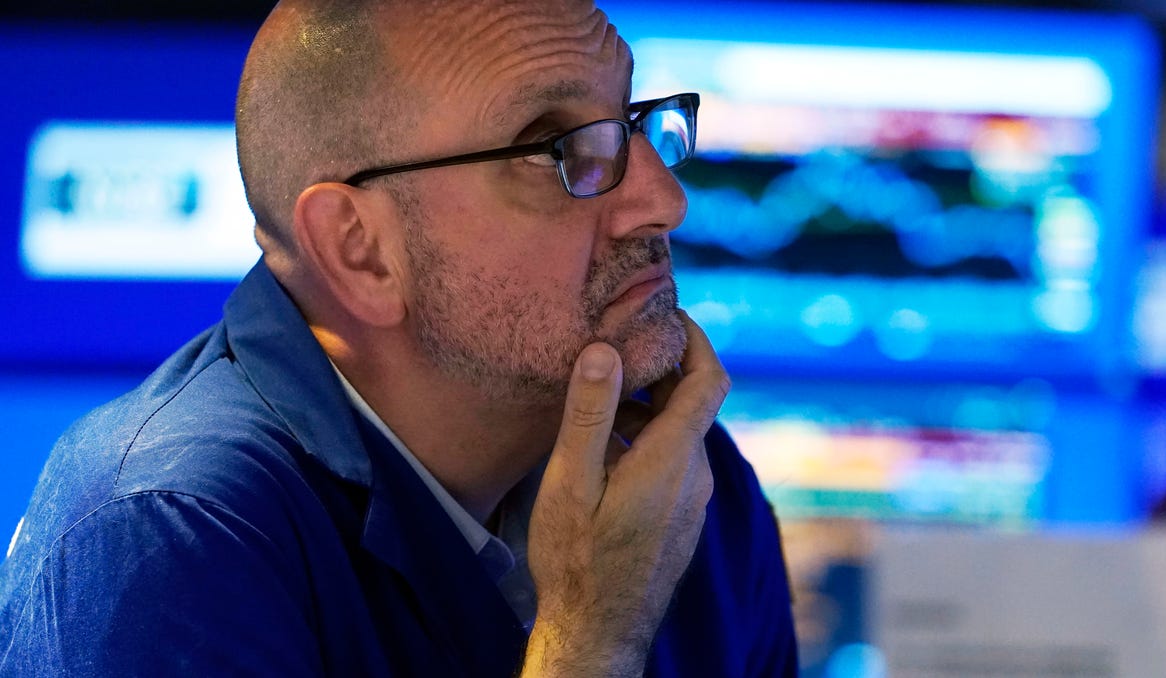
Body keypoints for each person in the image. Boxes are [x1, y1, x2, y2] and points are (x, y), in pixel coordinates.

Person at [0, 0, 797, 675]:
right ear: (359, 250)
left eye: (628, 123)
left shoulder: (676, 482)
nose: (662, 201)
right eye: (555, 149)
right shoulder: (166, 538)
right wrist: (591, 640)